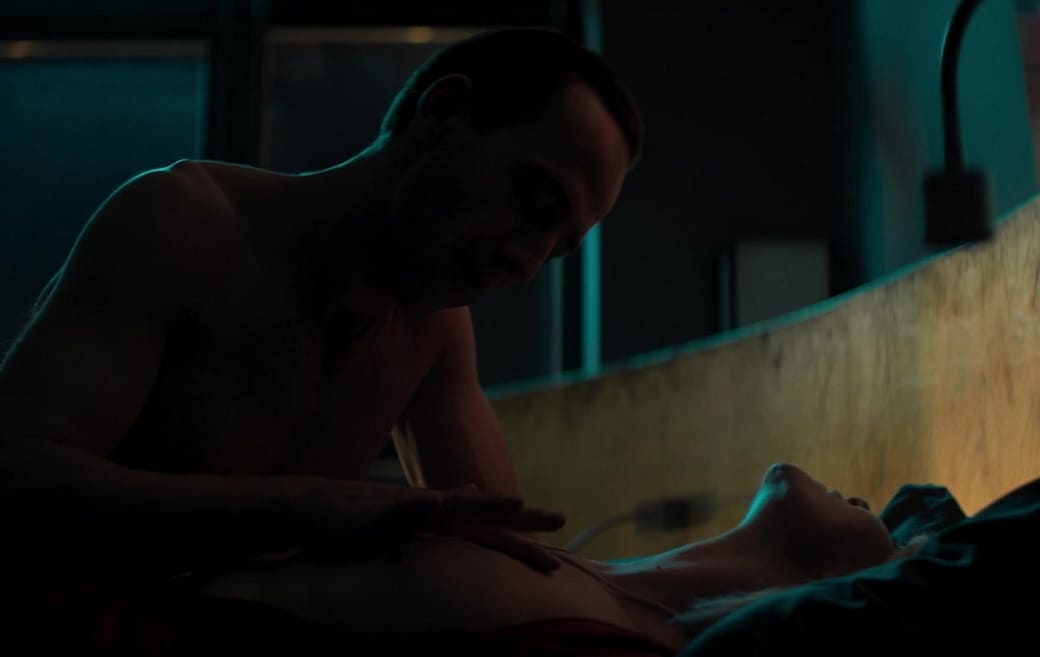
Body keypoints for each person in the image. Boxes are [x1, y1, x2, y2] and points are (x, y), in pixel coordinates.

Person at [0, 26, 641, 586]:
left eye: (557, 250)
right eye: (534, 202)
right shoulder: (181, 226)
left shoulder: (436, 330)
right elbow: (16, 476)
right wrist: (295, 509)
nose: (527, 264)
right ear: (443, 112)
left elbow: (508, 553)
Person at [155, 462, 906, 655]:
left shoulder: (616, 645)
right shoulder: (602, 581)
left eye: (890, 532)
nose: (866, 498)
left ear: (832, 587)